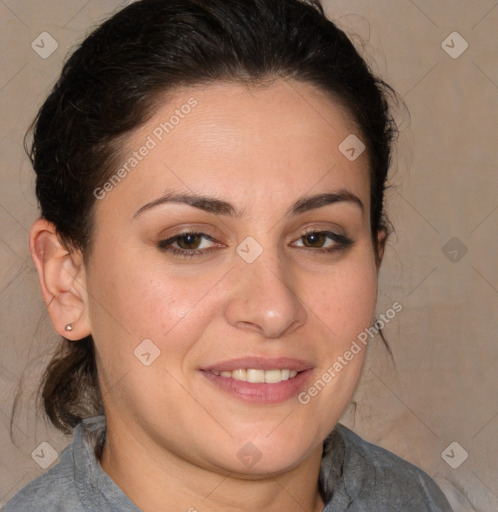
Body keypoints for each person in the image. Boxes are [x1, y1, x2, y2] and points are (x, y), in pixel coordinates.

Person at [5, 0, 454, 510]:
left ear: (374, 257)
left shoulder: (417, 499)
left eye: (317, 238)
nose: (273, 309)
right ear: (67, 282)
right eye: (190, 240)